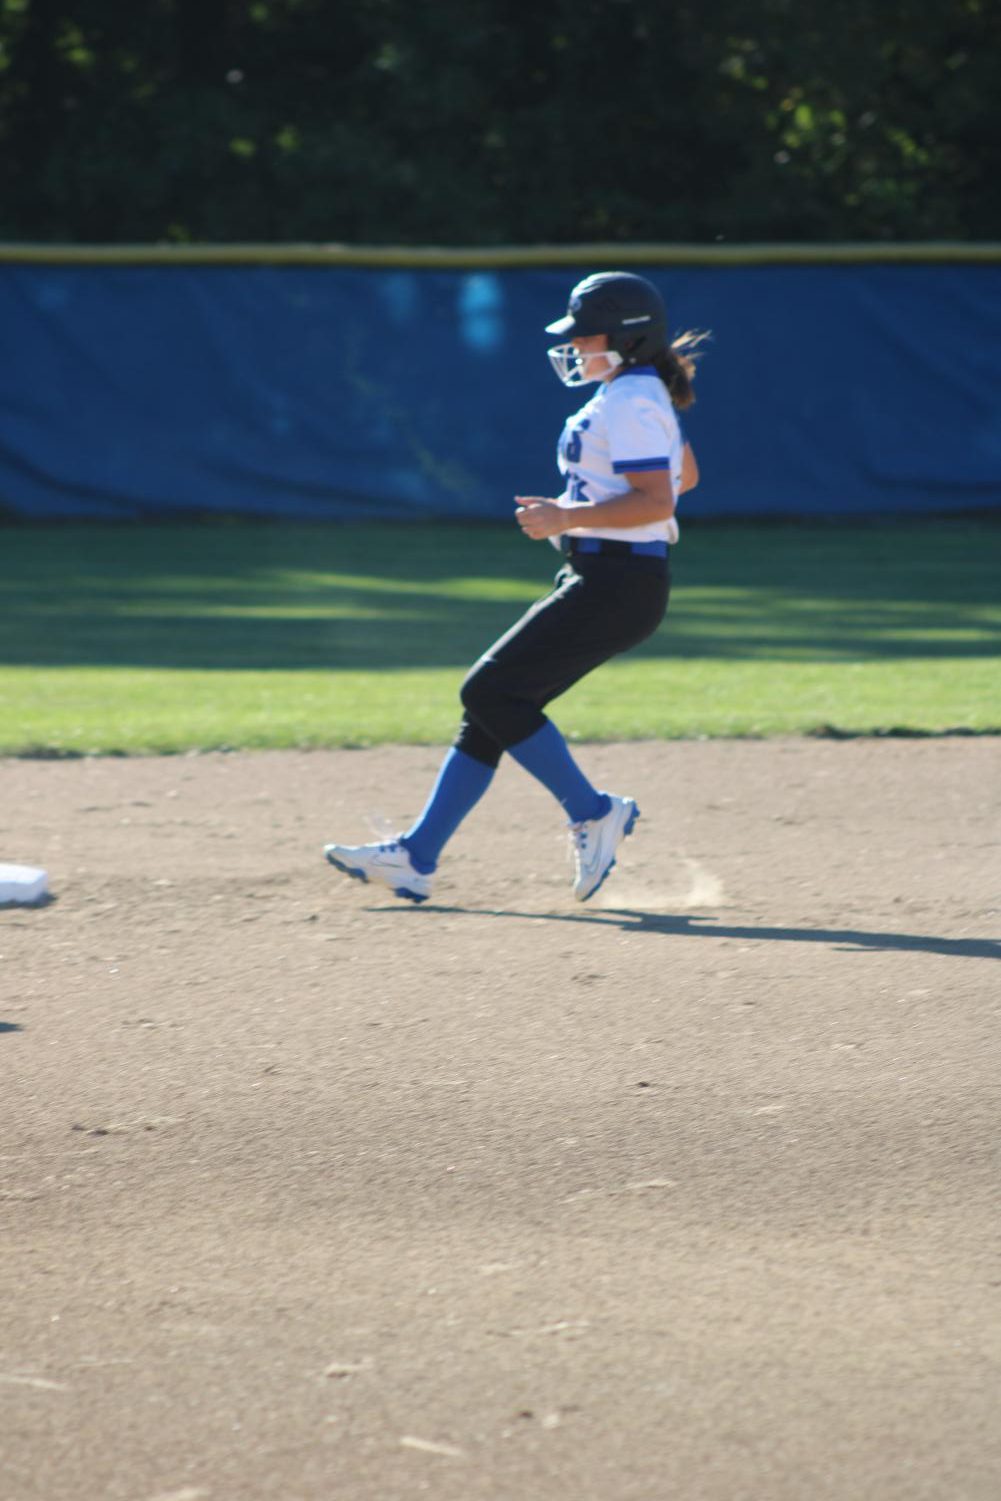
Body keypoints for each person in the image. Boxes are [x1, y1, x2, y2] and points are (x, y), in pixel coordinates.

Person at [324, 270, 704, 904]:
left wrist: (568, 517)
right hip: (608, 574)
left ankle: (593, 811)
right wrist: (579, 510)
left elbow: (660, 495)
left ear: (628, 338)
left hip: (619, 580)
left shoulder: (632, 397)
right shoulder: (635, 392)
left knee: (488, 690)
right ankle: (415, 857)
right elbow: (683, 478)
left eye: (588, 336)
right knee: (492, 711)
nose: (577, 347)